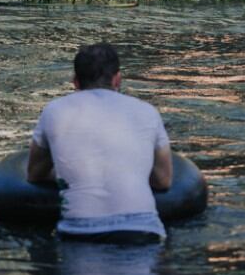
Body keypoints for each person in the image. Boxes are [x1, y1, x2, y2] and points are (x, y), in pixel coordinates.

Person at [25, 44, 176, 246]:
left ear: (75, 82)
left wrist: (69, 175)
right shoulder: (147, 111)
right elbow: (163, 180)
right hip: (141, 229)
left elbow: (35, 173)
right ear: (117, 79)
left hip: (78, 230)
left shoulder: (54, 110)